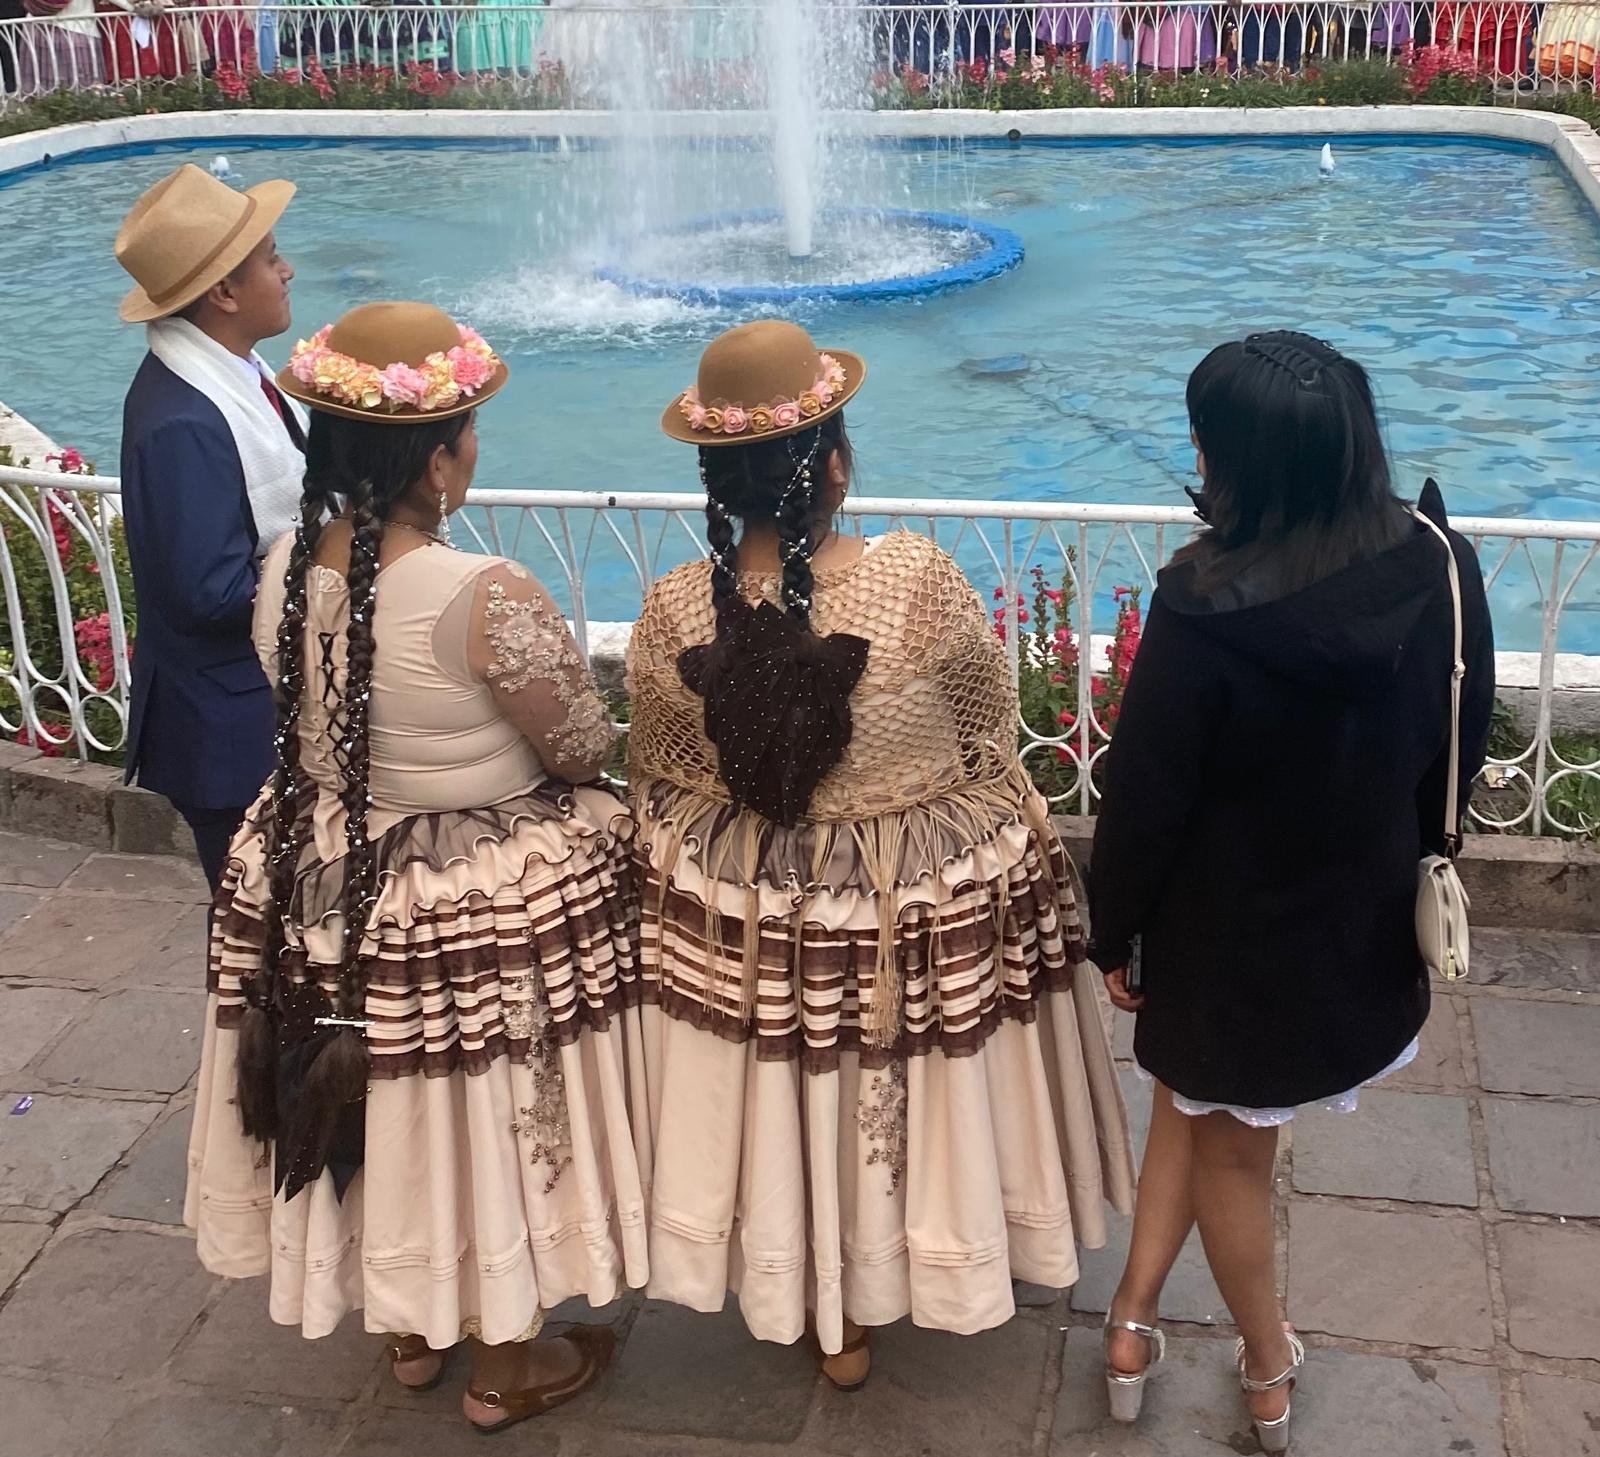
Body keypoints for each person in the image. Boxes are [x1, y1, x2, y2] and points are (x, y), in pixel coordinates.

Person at [626, 319, 1136, 1390]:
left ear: (716, 479)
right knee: (901, 1068)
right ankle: (916, 1252)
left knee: (788, 1077)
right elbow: (988, 721)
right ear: (839, 466)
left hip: (750, 893)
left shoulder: (675, 604)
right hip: (906, 887)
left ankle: (816, 1297)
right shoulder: (914, 578)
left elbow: (665, 768)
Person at [184, 301, 646, 1433]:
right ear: (433, 462)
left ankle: (408, 1325)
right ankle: (501, 1358)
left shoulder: (288, 564)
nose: (476, 450)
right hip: (460, 893)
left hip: (317, 875)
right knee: (477, 1109)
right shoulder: (478, 590)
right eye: (469, 434)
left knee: (375, 1097)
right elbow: (580, 745)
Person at [1087, 331, 1494, 1453]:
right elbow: (1457, 731)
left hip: (1225, 939)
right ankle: (1130, 1318)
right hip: (1353, 923)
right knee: (1195, 1100)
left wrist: (1111, 927)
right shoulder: (1434, 557)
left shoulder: (1201, 607)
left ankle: (1266, 1365)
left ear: (1233, 461)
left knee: (1228, 1147)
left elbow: (1147, 794)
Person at [115, 163, 306, 891]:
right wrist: (335, 558)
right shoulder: (184, 421)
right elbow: (211, 591)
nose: (286, 270)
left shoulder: (232, 374)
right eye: (269, 259)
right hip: (230, 732)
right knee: (259, 936)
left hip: (247, 710)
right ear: (223, 292)